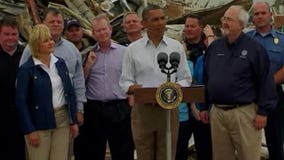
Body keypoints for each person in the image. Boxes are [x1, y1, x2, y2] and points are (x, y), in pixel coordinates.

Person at [200, 5, 278, 160]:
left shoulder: (255, 48)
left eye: (229, 19)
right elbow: (207, 78)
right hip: (217, 113)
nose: (225, 23)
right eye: (224, 19)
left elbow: (265, 80)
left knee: (248, 156)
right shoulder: (214, 46)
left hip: (244, 113)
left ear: (241, 24)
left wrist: (263, 111)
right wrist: (203, 106)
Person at [119, 5, 192, 160]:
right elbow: (125, 81)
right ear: (144, 24)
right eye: (155, 19)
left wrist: (174, 88)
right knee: (144, 153)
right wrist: (135, 88)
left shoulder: (175, 46)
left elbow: (185, 78)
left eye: (162, 18)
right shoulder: (132, 49)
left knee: (167, 153)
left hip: (169, 109)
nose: (160, 23)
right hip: (143, 111)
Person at [16, 24, 79, 160]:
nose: (51, 42)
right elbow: (21, 102)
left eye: (50, 39)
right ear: (36, 44)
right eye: (46, 40)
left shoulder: (60, 64)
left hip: (62, 120)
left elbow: (69, 92)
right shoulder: (26, 70)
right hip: (38, 123)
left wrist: (73, 120)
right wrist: (29, 130)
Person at [19, 7, 86, 126]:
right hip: (38, 115)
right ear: (43, 23)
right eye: (51, 22)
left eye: (59, 22)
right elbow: (21, 85)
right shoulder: (31, 49)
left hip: (65, 113)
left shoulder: (72, 50)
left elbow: (78, 81)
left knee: (65, 145)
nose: (55, 24)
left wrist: (79, 109)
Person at [82, 14, 134, 160]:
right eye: (98, 31)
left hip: (119, 108)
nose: (102, 33)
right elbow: (81, 82)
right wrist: (88, 66)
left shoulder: (124, 52)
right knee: (94, 150)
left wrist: (131, 99)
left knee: (123, 150)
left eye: (104, 29)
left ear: (110, 29)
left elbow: (131, 77)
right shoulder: (88, 54)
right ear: (93, 33)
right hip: (95, 109)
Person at [247, 2, 284, 160]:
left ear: (270, 15)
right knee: (247, 141)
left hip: (274, 95)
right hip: (248, 95)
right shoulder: (244, 39)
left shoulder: (282, 40)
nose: (260, 16)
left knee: (275, 140)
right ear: (252, 18)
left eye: (263, 13)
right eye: (256, 14)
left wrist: (266, 85)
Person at [175, 14, 214, 160]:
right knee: (179, 150)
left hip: (203, 109)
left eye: (192, 26)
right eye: (186, 26)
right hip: (182, 110)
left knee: (205, 149)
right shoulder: (177, 48)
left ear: (201, 28)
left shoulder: (210, 47)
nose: (188, 29)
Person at [0, 16, 26, 160]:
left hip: (21, 119)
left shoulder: (26, 55)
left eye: (14, 34)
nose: (10, 38)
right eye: (6, 34)